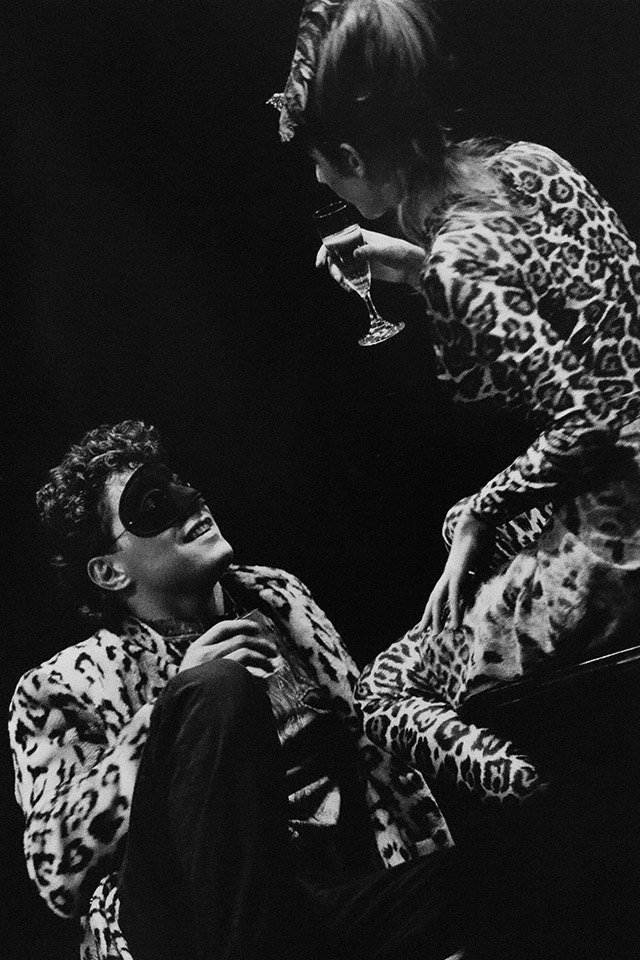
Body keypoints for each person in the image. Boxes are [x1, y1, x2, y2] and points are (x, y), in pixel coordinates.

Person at [272, 0, 640, 780]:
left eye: (322, 163)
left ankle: (543, 795)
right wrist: (412, 262)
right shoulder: (530, 165)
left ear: (352, 157)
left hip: (620, 538)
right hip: (622, 481)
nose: (320, 178)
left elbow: (591, 421)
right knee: (459, 532)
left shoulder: (458, 267)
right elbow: (542, 289)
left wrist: (485, 509)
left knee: (385, 690)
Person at [8, 418, 477, 960]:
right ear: (111, 573)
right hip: (186, 927)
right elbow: (55, 871)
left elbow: (376, 748)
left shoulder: (280, 600)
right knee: (218, 689)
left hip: (321, 900)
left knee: (504, 873)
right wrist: (170, 708)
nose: (190, 502)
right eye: (153, 504)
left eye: (180, 483)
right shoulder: (59, 685)